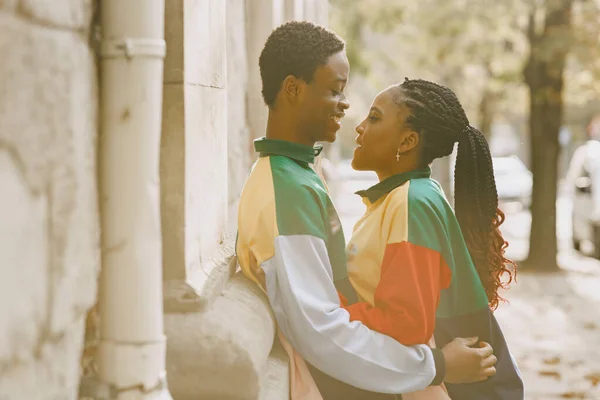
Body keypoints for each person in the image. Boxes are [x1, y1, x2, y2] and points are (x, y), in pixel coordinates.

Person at [236, 21, 497, 400]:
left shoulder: (297, 177)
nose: (347, 106)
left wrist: (435, 365)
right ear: (293, 89)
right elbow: (319, 327)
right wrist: (436, 365)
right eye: (334, 91)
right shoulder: (285, 188)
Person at [344, 78, 524, 399]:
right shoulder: (402, 197)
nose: (359, 128)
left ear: (408, 140)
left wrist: (329, 312)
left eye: (373, 118)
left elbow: (405, 325)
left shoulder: (411, 202)